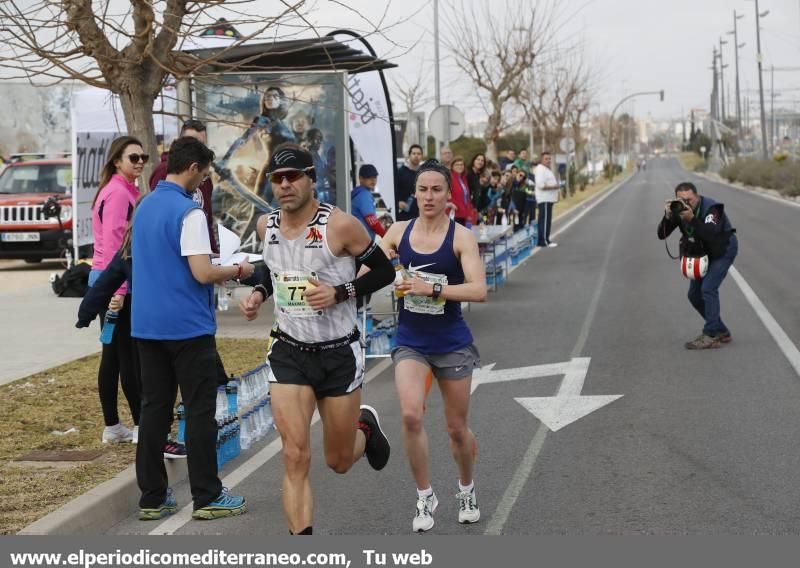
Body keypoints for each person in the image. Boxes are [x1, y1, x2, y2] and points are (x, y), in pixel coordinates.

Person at [238, 143, 394, 535]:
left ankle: (366, 429)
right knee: (294, 455)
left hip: (338, 352)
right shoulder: (266, 226)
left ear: (311, 179)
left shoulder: (340, 225)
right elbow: (272, 272)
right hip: (289, 351)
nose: (285, 185)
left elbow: (383, 272)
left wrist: (340, 292)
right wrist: (259, 293)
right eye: (277, 179)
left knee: (338, 461)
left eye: (293, 177)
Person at [132, 137, 255, 521]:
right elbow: (202, 272)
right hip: (187, 327)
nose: (203, 181)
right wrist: (238, 270)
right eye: (203, 173)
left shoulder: (145, 206)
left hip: (147, 326)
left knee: (154, 411)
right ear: (192, 169)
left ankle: (152, 497)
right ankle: (207, 495)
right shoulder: (190, 213)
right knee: (200, 412)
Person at [379, 159, 487, 533]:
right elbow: (365, 269)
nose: (428, 196)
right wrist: (384, 273)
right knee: (410, 415)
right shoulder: (397, 232)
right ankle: (425, 496)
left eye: (436, 189)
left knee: (457, 429)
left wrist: (433, 288)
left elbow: (479, 289)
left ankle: (466, 488)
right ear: (415, 192)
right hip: (411, 341)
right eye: (422, 189)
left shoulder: (461, 237)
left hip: (452, 343)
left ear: (447, 194)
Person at [90, 136, 144, 444]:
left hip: (108, 282)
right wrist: (120, 291)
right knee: (127, 357)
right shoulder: (118, 193)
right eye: (133, 157)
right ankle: (140, 425)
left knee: (113, 355)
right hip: (114, 285)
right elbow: (114, 245)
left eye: (142, 157)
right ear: (117, 161)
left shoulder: (120, 190)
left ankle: (113, 425)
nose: (139, 162)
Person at [657, 182, 738, 350]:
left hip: (722, 249)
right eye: (682, 200)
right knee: (694, 295)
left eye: (690, 200)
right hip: (702, 252)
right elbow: (661, 234)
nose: (686, 204)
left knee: (708, 288)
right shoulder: (678, 210)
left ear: (697, 196)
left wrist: (692, 220)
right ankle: (721, 330)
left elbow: (711, 235)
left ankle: (710, 335)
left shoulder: (713, 209)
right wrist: (667, 216)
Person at [150, 119, 217, 252]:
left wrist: (214, 253)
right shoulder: (165, 171)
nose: (197, 149)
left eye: (201, 145)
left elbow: (207, 220)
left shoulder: (205, 176)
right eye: (191, 142)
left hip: (201, 252)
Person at [351, 164, 386, 239]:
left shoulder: (357, 193)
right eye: (369, 177)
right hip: (362, 241)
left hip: (355, 237)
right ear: (361, 178)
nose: (373, 180)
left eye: (375, 177)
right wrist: (385, 236)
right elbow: (372, 221)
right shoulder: (364, 195)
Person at [533, 152, 560, 247]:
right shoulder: (540, 169)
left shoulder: (546, 169)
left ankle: (546, 240)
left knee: (547, 220)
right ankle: (543, 241)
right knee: (544, 221)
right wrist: (554, 187)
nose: (548, 160)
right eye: (546, 159)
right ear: (541, 160)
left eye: (549, 159)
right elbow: (541, 185)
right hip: (544, 199)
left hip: (549, 199)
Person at [396, 144, 424, 221]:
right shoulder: (400, 172)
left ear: (421, 156)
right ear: (409, 155)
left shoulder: (424, 173)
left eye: (419, 154)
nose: (416, 156)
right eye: (414, 153)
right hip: (404, 215)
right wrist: (398, 202)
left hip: (420, 214)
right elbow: (393, 190)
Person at [448, 156, 473, 226]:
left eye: (461, 164)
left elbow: (466, 197)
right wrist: (456, 205)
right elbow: (447, 195)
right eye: (457, 164)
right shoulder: (450, 178)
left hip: (464, 214)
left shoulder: (463, 178)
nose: (460, 166)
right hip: (454, 213)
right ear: (452, 166)